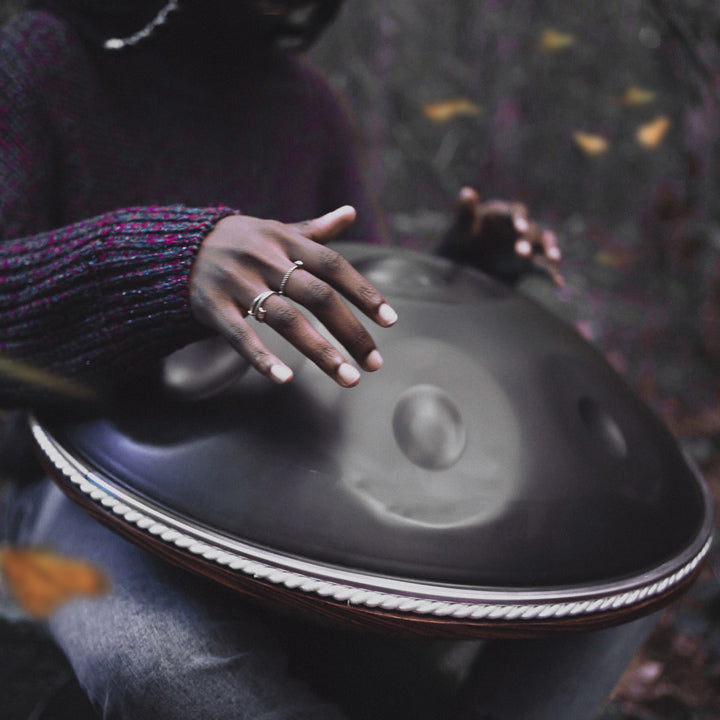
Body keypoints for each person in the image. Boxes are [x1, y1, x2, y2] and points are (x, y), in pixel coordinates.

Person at [1, 1, 655, 718]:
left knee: (620, 563)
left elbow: (354, 312)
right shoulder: (43, 59)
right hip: (77, 482)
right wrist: (169, 263)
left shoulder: (306, 106)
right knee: (158, 661)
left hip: (280, 473)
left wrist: (463, 277)